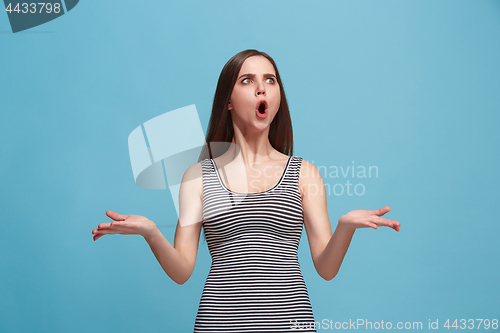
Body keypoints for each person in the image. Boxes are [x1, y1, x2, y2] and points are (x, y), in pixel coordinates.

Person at [92, 49, 401, 332]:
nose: (261, 87)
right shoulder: (197, 177)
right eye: (247, 80)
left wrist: (345, 227)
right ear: (227, 100)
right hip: (219, 324)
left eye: (270, 79)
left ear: (278, 96)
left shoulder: (305, 174)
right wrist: (150, 232)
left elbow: (326, 267)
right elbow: (183, 269)